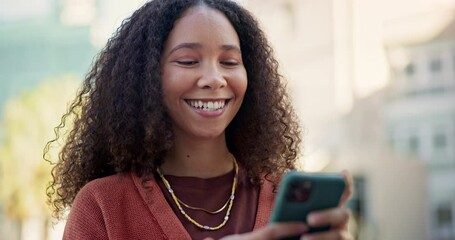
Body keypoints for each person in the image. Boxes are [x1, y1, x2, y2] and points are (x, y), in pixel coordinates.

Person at [45, 0, 352, 239]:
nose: (214, 78)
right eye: (189, 61)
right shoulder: (103, 205)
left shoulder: (284, 198)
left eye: (229, 62)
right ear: (147, 77)